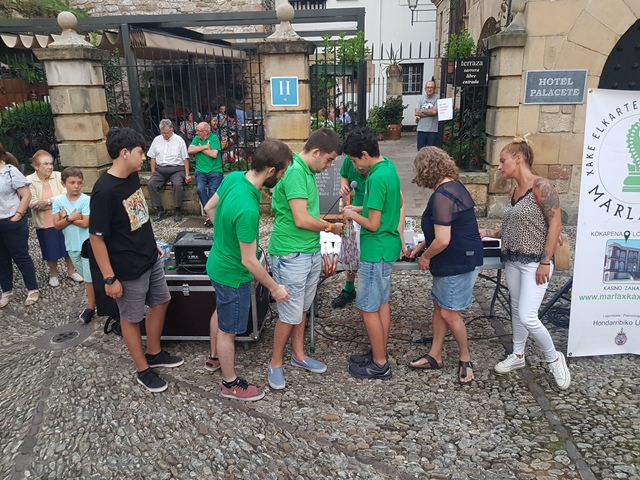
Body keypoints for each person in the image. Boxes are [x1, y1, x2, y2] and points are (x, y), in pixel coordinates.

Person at [89, 128, 183, 393]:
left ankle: (154, 352)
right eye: (141, 152)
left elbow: (138, 217)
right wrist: (110, 278)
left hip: (149, 257)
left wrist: (152, 244)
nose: (144, 157)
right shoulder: (103, 191)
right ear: (124, 153)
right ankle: (143, 369)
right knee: (130, 318)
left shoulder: (131, 178)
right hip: (127, 268)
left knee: (161, 301)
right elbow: (96, 238)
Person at [203, 139, 293, 401]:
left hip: (217, 264)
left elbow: (209, 207)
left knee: (221, 310)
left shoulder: (233, 178)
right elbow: (249, 261)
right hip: (232, 274)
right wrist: (274, 288)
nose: (283, 177)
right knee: (228, 331)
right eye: (282, 172)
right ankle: (230, 383)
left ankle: (214, 357)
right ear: (271, 171)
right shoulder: (247, 209)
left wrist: (224, 235)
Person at [480, 136, 571, 390]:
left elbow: (555, 225)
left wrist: (545, 261)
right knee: (516, 308)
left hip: (534, 261)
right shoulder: (515, 191)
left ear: (518, 159)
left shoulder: (542, 186)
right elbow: (516, 228)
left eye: (503, 161)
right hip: (513, 259)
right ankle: (518, 354)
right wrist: (488, 232)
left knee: (528, 316)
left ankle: (554, 358)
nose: (499, 166)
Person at [267, 128, 345, 390]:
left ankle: (298, 355)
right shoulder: (295, 173)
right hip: (291, 253)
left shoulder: (307, 171)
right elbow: (301, 219)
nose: (330, 165)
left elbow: (307, 214)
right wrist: (331, 227)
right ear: (316, 152)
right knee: (289, 313)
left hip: (308, 251)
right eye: (329, 159)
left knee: (301, 308)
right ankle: (275, 363)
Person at [406, 147, 483, 384]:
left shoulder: (442, 195)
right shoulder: (454, 186)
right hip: (458, 256)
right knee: (440, 306)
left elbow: (443, 240)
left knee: (449, 313)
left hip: (456, 260)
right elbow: (444, 228)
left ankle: (465, 358)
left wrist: (426, 257)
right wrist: (422, 245)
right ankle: (435, 355)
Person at [341, 128, 402, 380]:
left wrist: (351, 213)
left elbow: (373, 223)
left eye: (355, 160)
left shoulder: (375, 178)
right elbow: (385, 206)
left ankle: (380, 363)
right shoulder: (388, 167)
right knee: (381, 304)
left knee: (367, 307)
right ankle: (379, 351)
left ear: (365, 154)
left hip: (375, 248)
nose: (355, 166)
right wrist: (360, 207)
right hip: (387, 246)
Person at [27, 150, 83, 287]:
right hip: (44, 222)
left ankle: (71, 271)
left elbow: (67, 195)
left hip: (64, 219)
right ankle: (53, 274)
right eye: (45, 164)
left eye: (51, 163)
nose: (50, 167)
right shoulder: (29, 181)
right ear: (36, 166)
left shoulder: (58, 176)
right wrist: (56, 202)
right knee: (50, 249)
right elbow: (33, 203)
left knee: (68, 246)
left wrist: (48, 201)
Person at [52, 167, 95, 323]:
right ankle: (98, 297)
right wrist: (71, 218)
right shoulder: (58, 201)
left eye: (79, 183)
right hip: (71, 244)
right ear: (64, 184)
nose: (76, 186)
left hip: (86, 244)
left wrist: (67, 218)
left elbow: (85, 223)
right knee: (86, 275)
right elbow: (57, 225)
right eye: (72, 183)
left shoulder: (85, 200)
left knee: (89, 278)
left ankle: (90, 306)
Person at [0, 146, 39, 308]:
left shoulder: (10, 171)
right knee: (1, 259)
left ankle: (32, 289)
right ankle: (6, 291)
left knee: (21, 257)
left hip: (12, 221)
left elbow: (26, 194)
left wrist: (17, 215)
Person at [147, 119, 191, 223]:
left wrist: (187, 174)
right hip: (161, 169)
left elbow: (185, 159)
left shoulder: (179, 140)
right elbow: (152, 157)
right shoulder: (157, 140)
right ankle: (160, 210)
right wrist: (153, 171)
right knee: (151, 184)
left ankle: (177, 210)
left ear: (172, 130)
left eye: (166, 133)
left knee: (177, 184)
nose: (164, 135)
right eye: (162, 133)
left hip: (176, 169)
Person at [188, 122, 222, 227]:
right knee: (200, 189)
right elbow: (190, 150)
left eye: (198, 131)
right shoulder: (196, 138)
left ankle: (210, 215)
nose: (196, 133)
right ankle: (209, 213)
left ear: (206, 132)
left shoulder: (214, 138)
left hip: (215, 170)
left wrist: (200, 148)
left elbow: (214, 154)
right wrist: (205, 147)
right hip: (200, 171)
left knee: (213, 191)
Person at [415, 80, 439, 150]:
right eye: (428, 87)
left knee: (431, 152)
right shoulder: (421, 99)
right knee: (420, 151)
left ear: (434, 89)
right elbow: (416, 112)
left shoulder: (438, 98)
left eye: (431, 87)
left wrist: (422, 110)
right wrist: (430, 112)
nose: (429, 89)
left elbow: (434, 112)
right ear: (425, 89)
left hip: (433, 130)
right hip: (421, 129)